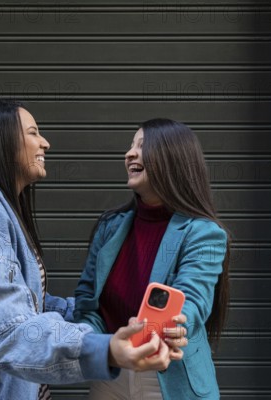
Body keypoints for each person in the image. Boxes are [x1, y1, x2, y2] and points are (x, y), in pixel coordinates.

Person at [0, 100, 187, 400]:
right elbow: (6, 330)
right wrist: (105, 351)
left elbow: (23, 301)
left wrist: (104, 310)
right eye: (33, 132)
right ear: (1, 140)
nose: (46, 143)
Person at [74, 118, 230, 399]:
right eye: (130, 146)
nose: (129, 153)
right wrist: (101, 346)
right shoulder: (110, 227)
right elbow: (87, 302)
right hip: (111, 374)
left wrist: (177, 326)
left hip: (170, 375)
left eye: (142, 146)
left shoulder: (203, 232)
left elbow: (193, 298)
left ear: (172, 158)